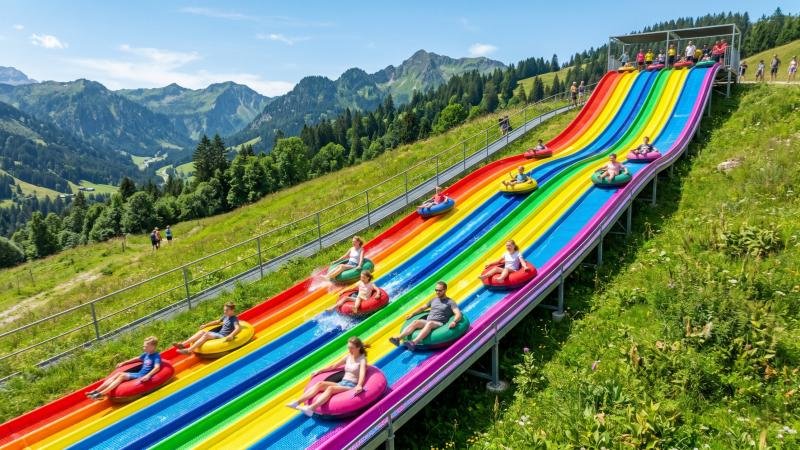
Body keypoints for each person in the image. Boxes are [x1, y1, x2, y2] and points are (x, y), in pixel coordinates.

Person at [287, 336, 369, 417]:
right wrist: (319, 370)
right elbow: (334, 366)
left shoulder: (362, 360)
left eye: (352, 348)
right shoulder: (348, 356)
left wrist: (359, 385)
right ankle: (296, 402)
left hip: (351, 385)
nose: (349, 350)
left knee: (330, 389)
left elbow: (362, 374)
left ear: (358, 348)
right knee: (320, 384)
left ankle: (311, 408)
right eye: (348, 347)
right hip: (342, 383)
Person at [389, 281, 462, 351]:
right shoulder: (434, 299)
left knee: (429, 324)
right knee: (416, 322)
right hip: (428, 321)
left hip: (439, 323)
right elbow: (422, 308)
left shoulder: (450, 302)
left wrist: (454, 322)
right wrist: (412, 314)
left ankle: (414, 342)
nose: (437, 292)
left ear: (445, 290)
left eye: (440, 290)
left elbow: (458, 314)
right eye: (436, 290)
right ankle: (398, 338)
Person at [85, 336, 162, 400]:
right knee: (118, 374)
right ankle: (96, 391)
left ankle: (101, 394)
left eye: (145, 346)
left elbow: (157, 367)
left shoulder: (156, 356)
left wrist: (148, 375)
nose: (143, 347)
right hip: (139, 373)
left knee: (122, 376)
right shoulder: (146, 354)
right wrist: (124, 362)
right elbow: (137, 358)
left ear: (152, 346)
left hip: (142, 376)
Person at [173, 302, 241, 355]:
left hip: (223, 336)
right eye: (224, 310)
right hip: (218, 334)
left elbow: (237, 328)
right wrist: (205, 325)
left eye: (226, 310)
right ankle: (182, 345)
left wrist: (231, 335)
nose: (224, 312)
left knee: (206, 335)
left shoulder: (234, 319)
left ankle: (189, 351)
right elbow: (217, 322)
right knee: (202, 332)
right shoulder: (226, 316)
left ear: (232, 310)